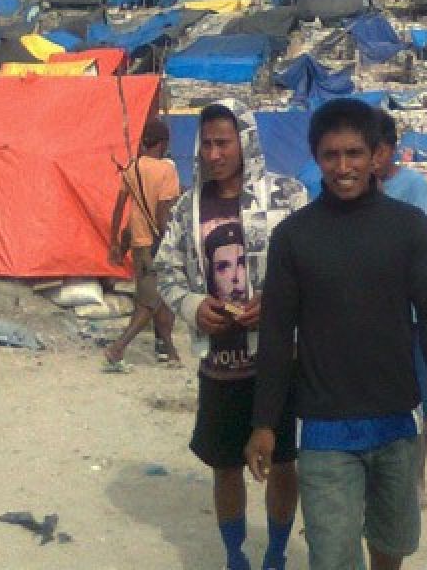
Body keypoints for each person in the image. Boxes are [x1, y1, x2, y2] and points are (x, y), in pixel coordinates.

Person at [246, 98, 427, 570]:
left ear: (374, 157)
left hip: (397, 421)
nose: (343, 167)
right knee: (332, 554)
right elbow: (278, 334)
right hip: (324, 427)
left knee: (392, 541)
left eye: (354, 154)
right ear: (316, 158)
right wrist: (263, 422)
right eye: (331, 155)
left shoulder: (408, 228)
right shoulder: (295, 236)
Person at [155, 102, 307, 570]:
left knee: (283, 462)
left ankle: (277, 553)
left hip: (279, 361)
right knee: (225, 464)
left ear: (246, 141)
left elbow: (309, 271)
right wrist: (194, 307)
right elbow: (166, 271)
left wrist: (279, 307)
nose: (215, 153)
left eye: (224, 142)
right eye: (207, 143)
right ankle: (234, 554)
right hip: (220, 364)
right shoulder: (188, 206)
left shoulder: (287, 195)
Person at [374, 110, 427, 510]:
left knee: (418, 402)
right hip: (365, 318)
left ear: (390, 150)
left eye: (374, 150)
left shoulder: (411, 186)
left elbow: (417, 247)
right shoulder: (356, 189)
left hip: (407, 318)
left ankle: (416, 478)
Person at [104, 118, 181, 368]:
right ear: (162, 143)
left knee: (156, 298)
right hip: (155, 245)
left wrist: (115, 242)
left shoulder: (132, 168)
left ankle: (169, 351)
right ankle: (119, 348)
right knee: (151, 302)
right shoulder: (167, 170)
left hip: (137, 244)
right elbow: (162, 212)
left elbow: (118, 209)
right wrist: (170, 239)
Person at [375, 111, 427, 216]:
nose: (374, 161)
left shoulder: (414, 183)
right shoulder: (357, 185)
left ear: (393, 149)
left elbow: (419, 227)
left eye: (380, 153)